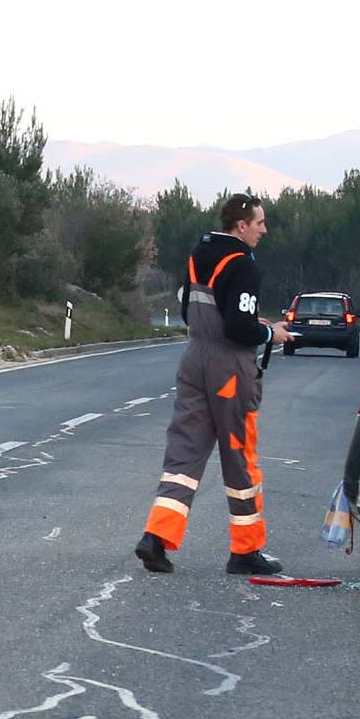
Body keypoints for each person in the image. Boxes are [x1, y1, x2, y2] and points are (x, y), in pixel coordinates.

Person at [136, 194, 291, 576]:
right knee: (239, 457)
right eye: (260, 222)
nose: (264, 230)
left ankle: (156, 537)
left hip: (194, 360)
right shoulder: (242, 265)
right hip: (228, 368)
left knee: (183, 456)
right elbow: (240, 327)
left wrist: (250, 321)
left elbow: (192, 307)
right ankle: (246, 550)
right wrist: (271, 334)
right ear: (242, 225)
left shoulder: (198, 255)